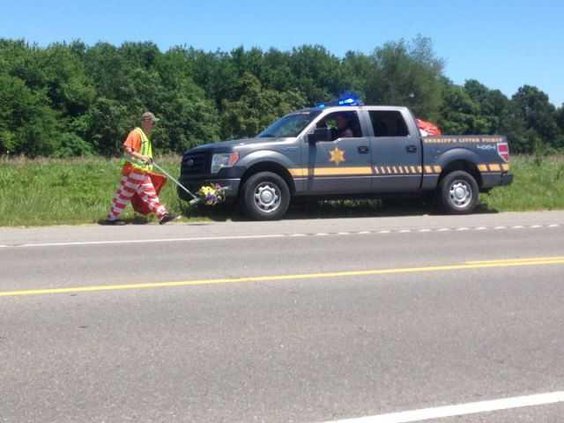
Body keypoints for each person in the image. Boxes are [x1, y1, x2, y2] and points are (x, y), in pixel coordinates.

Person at [101, 112, 177, 225]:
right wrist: (143, 157)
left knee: (131, 194)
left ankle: (162, 214)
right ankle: (162, 214)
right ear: (146, 121)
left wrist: (146, 160)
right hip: (135, 170)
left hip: (139, 171)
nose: (154, 125)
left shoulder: (144, 136)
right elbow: (127, 149)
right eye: (153, 122)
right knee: (132, 195)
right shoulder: (136, 133)